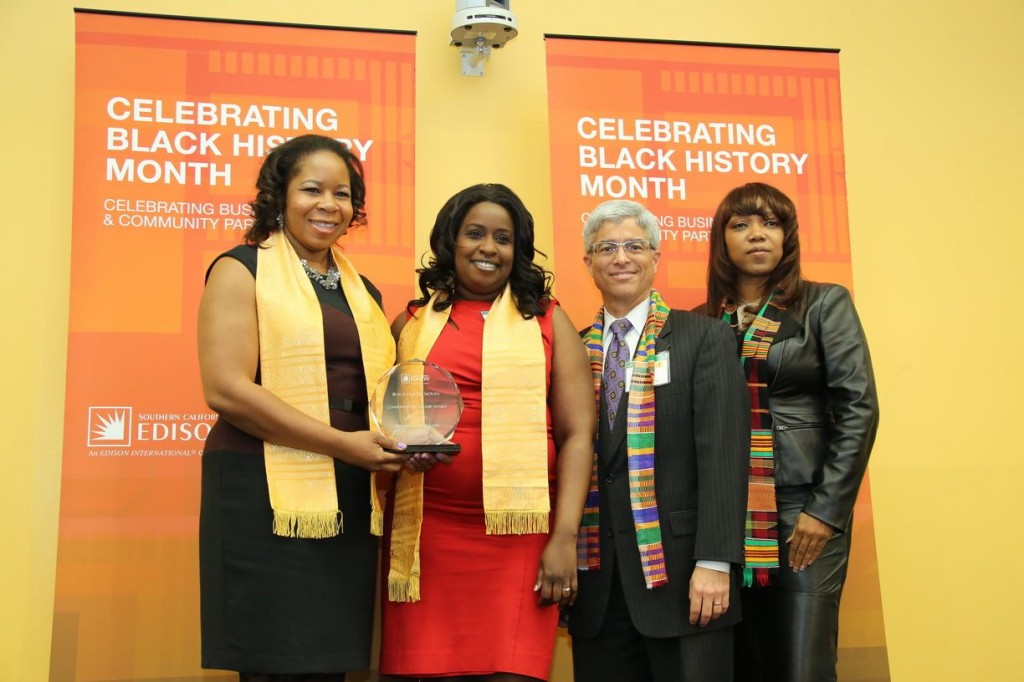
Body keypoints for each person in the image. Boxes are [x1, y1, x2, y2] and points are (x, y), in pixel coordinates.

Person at [197, 134, 412, 681]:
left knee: (328, 661)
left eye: (342, 194)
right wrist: (341, 444)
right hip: (261, 485)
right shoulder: (239, 268)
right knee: (276, 660)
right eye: (311, 189)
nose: (328, 205)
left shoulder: (362, 290)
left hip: (347, 487)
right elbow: (225, 389)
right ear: (279, 196)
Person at [378, 183, 596, 682]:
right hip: (427, 535)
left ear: (517, 249)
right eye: (474, 233)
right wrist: (402, 450)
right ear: (450, 240)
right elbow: (382, 422)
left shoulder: (547, 318)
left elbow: (578, 434)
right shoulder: (411, 322)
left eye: (503, 237)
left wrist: (564, 538)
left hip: (520, 539)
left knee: (511, 671)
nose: (488, 247)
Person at [700, 182, 879, 682]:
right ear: (722, 241)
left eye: (770, 223)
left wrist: (825, 511)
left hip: (804, 509)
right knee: (742, 663)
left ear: (788, 237)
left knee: (803, 665)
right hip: (725, 517)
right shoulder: (699, 324)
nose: (757, 235)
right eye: (741, 225)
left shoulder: (824, 304)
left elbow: (859, 408)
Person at [568, 199, 750, 682]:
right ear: (588, 262)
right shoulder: (571, 346)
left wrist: (715, 562)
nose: (621, 257)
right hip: (597, 584)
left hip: (685, 579)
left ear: (656, 257)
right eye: (606, 247)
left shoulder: (703, 338)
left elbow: (724, 458)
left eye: (634, 245)